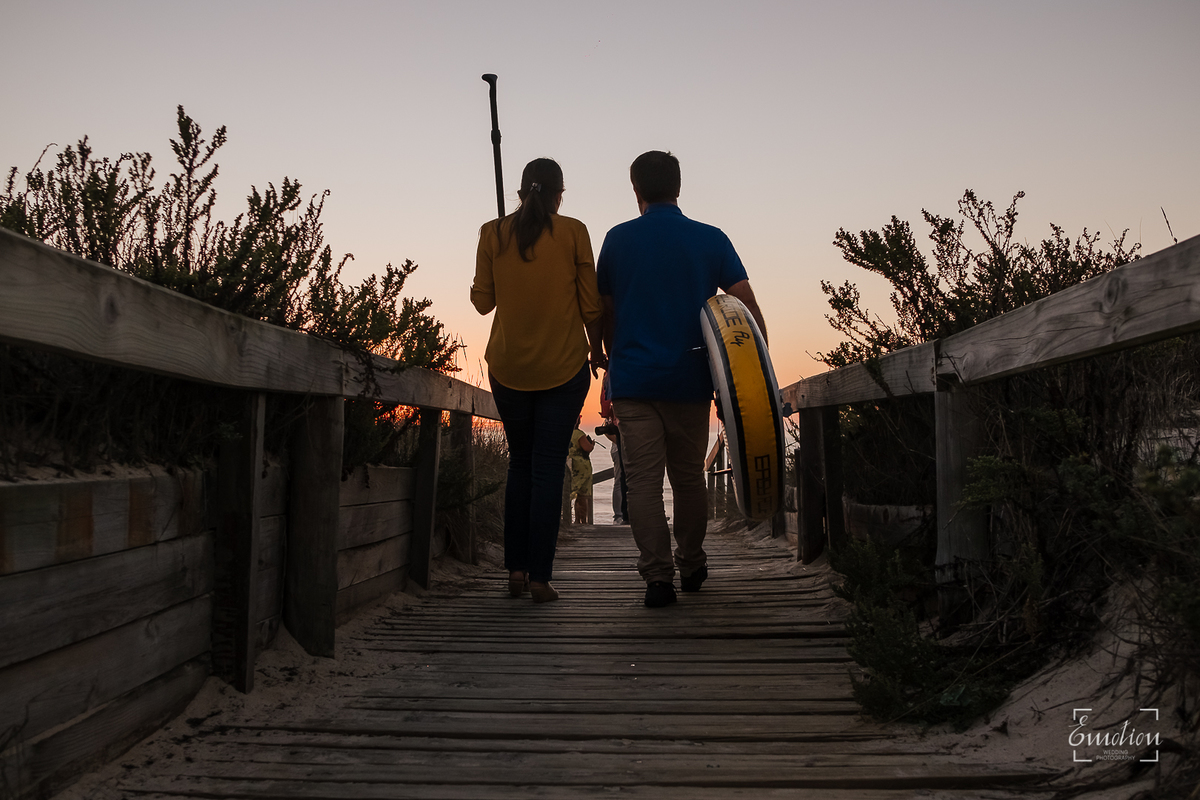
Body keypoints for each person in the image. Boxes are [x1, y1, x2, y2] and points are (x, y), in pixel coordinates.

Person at [596, 150, 767, 608]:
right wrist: (757, 375)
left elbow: (606, 312)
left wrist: (608, 362)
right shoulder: (710, 239)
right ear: (678, 186)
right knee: (689, 478)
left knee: (644, 483)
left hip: (633, 379)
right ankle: (691, 563)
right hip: (690, 379)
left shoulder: (617, 240)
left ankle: (657, 578)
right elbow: (745, 305)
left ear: (636, 190)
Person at [471, 158, 603, 604]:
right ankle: (541, 579)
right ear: (558, 195)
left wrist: (500, 258)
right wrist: (600, 350)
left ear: (520, 193)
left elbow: (482, 303)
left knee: (520, 464)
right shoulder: (573, 232)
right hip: (563, 369)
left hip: (509, 368)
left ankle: (516, 570)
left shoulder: (492, 232)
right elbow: (590, 306)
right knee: (548, 469)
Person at [568, 417, 594, 524]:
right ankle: (581, 520)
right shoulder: (579, 434)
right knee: (582, 495)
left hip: (569, 465)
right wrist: (592, 444)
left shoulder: (565, 433)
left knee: (569, 492)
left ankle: (570, 519)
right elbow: (587, 448)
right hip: (581, 466)